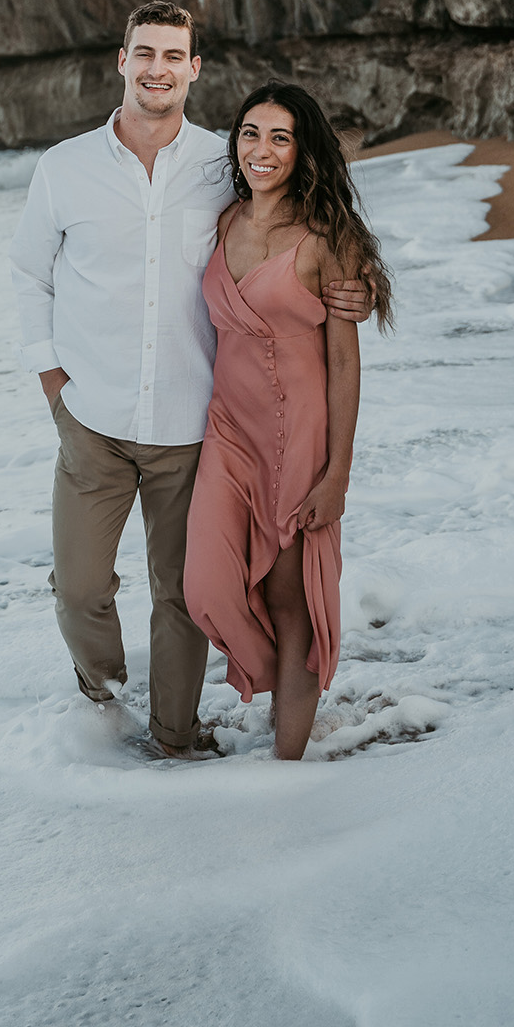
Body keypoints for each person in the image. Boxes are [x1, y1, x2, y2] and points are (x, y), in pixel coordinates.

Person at [9, 3, 375, 758]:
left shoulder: (221, 165)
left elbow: (302, 233)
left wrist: (356, 288)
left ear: (194, 68)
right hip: (95, 416)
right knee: (81, 590)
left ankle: (175, 739)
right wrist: (52, 379)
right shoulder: (65, 168)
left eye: (173, 55)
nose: (157, 69)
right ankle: (103, 701)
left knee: (186, 596)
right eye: (145, 53)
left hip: (190, 425)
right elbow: (26, 273)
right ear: (121, 60)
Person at [184, 82, 392, 760]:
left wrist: (337, 474)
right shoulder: (221, 221)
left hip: (297, 437)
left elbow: (343, 365)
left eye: (280, 136)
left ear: (302, 150)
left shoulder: (328, 237)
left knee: (288, 597)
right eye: (250, 133)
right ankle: (282, 700)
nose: (262, 149)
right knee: (207, 586)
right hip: (229, 430)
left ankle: (288, 760)